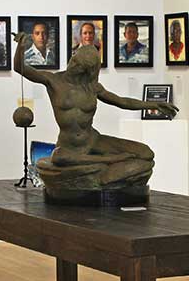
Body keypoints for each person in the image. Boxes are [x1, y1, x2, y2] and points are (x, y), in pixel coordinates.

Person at [13, 31, 177, 192]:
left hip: (93, 140)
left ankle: (106, 174)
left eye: (79, 66)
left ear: (88, 70)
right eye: (74, 60)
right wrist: (21, 47)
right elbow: (21, 69)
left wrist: (153, 105)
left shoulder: (92, 87)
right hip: (68, 147)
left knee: (145, 153)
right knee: (59, 158)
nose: (73, 66)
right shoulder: (54, 80)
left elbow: (122, 101)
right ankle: (107, 166)